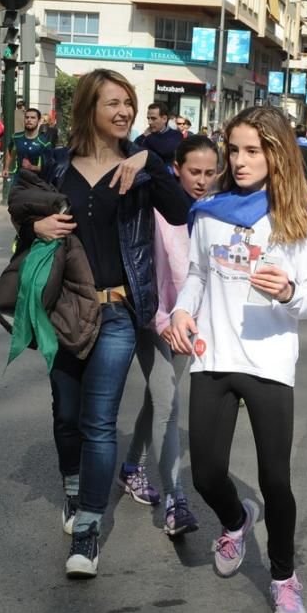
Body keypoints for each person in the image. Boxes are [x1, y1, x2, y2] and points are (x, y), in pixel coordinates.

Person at [168, 106, 307, 613]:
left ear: (276, 153)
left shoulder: (295, 217)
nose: (238, 161)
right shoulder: (209, 212)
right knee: (208, 472)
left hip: (269, 363)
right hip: (212, 356)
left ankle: (283, 578)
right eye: (233, 150)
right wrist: (181, 311)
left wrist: (288, 292)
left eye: (252, 151)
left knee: (275, 481)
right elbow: (196, 273)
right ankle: (236, 521)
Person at [32, 68, 191, 578]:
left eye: (129, 103)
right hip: (64, 308)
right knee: (67, 414)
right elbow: (22, 218)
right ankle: (75, 488)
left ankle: (88, 530)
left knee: (100, 422)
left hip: (119, 312)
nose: (124, 111)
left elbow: (183, 210)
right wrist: (36, 225)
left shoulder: (142, 168)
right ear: (89, 109)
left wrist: (154, 160)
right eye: (113, 103)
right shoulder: (57, 166)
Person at [119, 135, 218, 536]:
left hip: (189, 322)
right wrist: (162, 321)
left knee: (158, 396)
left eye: (211, 173)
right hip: (153, 317)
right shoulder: (159, 208)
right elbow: (152, 272)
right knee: (169, 403)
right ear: (176, 167)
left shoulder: (213, 211)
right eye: (194, 171)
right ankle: (177, 501)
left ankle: (130, 466)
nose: (202, 180)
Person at [3, 107, 51, 179]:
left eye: (33, 118)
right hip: (18, 180)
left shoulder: (44, 142)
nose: (29, 120)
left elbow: (48, 167)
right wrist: (6, 168)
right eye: (27, 117)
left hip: (35, 181)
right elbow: (9, 151)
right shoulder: (16, 137)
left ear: (39, 121)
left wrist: (31, 167)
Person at [134, 102, 183, 169]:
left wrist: (148, 136)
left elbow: (165, 150)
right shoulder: (144, 136)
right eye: (148, 118)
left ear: (164, 119)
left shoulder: (176, 135)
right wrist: (143, 136)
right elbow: (133, 150)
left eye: (153, 118)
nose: (149, 122)